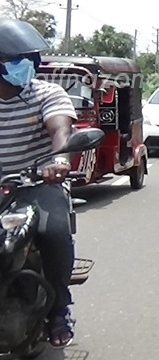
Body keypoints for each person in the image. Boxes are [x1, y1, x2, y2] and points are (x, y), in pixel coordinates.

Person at [0, 19, 79, 348]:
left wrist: (58, 160)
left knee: (54, 232)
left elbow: (60, 128)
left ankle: (59, 308)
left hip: (36, 184)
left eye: (32, 60)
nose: (29, 67)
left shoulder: (47, 92)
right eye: (19, 61)